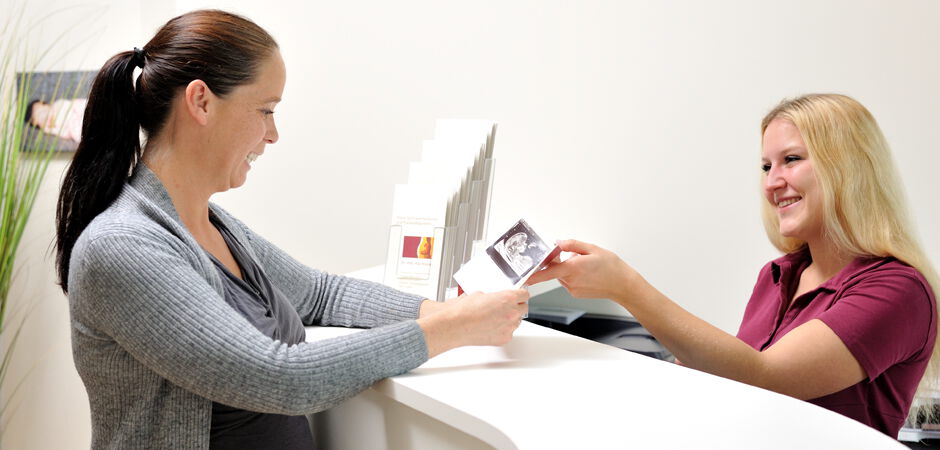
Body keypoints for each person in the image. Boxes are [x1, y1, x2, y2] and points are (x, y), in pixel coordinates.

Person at [54, 10, 528, 449]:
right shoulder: (121, 247)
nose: (273, 133)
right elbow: (281, 380)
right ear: (201, 101)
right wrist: (449, 328)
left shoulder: (212, 225)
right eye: (265, 110)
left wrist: (455, 309)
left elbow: (321, 294)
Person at [527, 93, 939, 437]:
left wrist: (626, 287)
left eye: (791, 159)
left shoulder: (898, 291)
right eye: (766, 166)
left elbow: (767, 378)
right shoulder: (778, 275)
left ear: (848, 167)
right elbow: (743, 382)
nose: (772, 182)